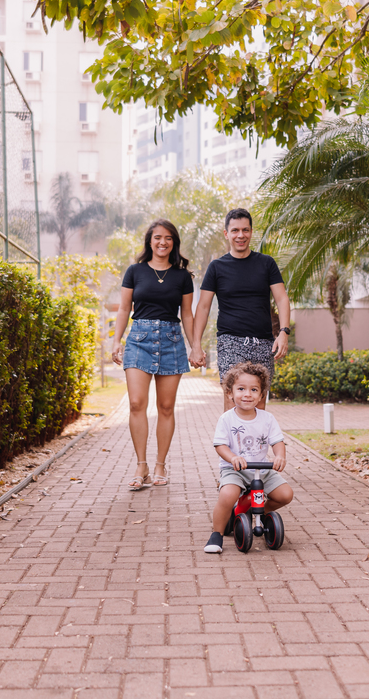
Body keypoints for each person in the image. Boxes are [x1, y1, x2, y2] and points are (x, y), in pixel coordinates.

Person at [112, 219, 195, 490]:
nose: (163, 242)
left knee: (166, 407)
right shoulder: (135, 271)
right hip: (139, 339)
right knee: (136, 403)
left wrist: (196, 345)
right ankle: (141, 466)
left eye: (168, 238)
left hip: (171, 340)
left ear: (174, 242)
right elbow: (124, 309)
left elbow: (187, 314)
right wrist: (116, 341)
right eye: (157, 237)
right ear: (150, 241)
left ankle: (160, 465)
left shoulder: (182, 276)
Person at [190, 208, 291, 410]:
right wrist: (196, 345)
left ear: (251, 232)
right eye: (235, 230)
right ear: (226, 234)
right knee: (232, 402)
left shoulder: (266, 263)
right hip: (230, 342)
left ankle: (256, 443)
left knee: (258, 403)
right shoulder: (216, 267)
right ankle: (230, 443)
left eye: (245, 230)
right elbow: (203, 307)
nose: (241, 235)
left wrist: (284, 332)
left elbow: (282, 298)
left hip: (263, 343)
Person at [204, 362, 294, 554]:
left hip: (261, 470)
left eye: (254, 390)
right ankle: (216, 534)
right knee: (227, 495)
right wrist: (233, 457)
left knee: (286, 495)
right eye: (241, 389)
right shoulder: (227, 419)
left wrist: (280, 456)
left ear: (261, 395)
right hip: (234, 469)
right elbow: (220, 445)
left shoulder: (267, 418)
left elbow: (277, 442)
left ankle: (256, 511)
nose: (247, 394)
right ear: (230, 393)